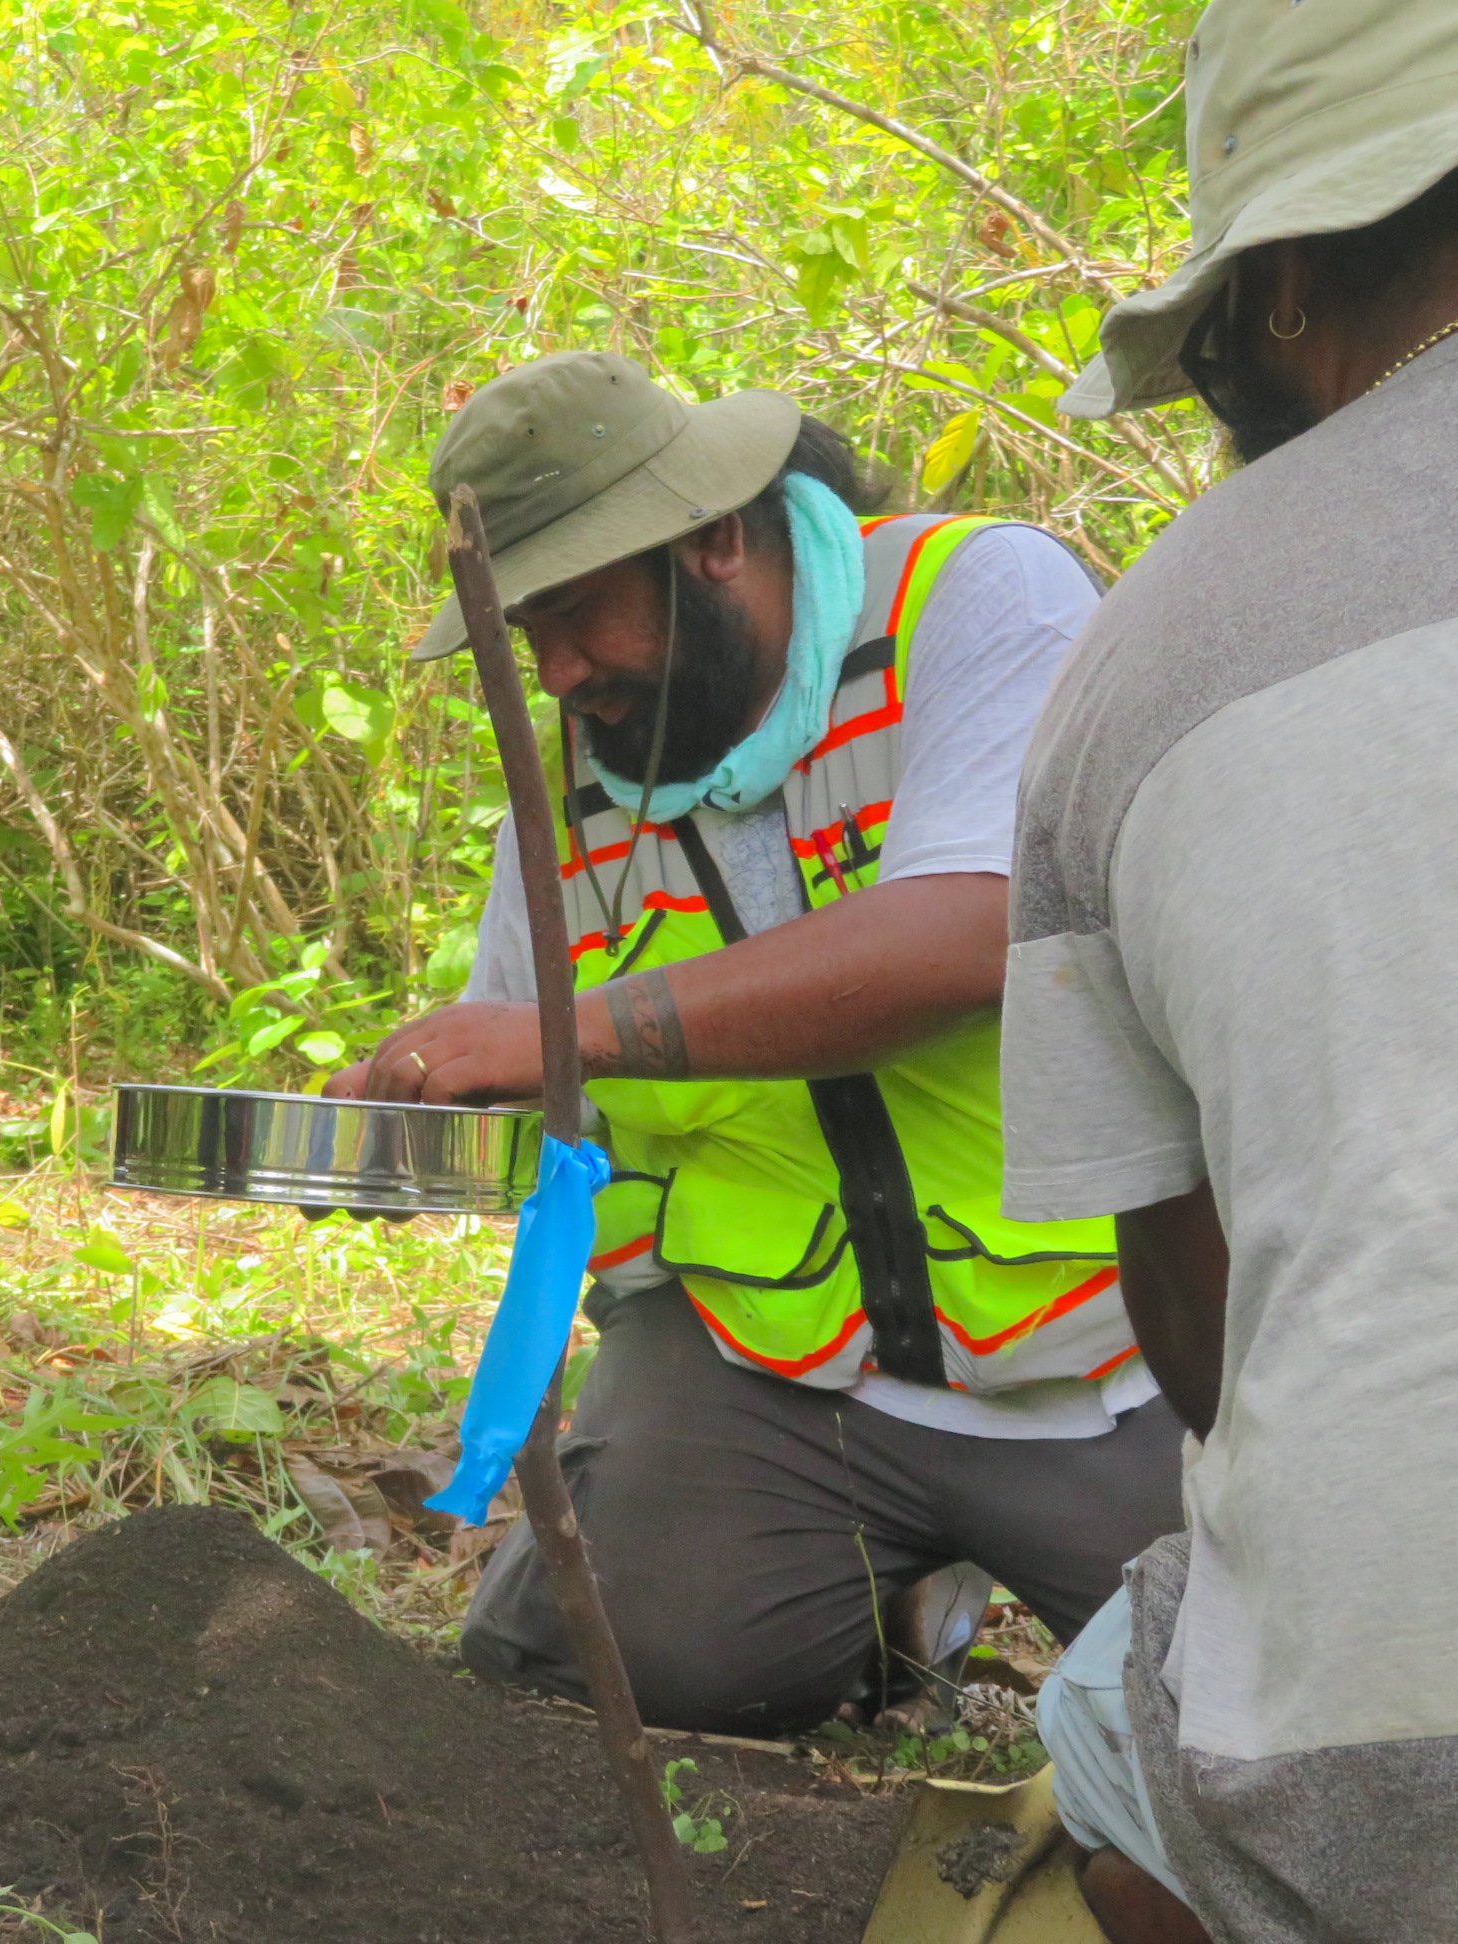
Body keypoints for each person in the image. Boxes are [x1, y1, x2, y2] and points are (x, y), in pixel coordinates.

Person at [1008, 2, 1458, 1937]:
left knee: (1098, 1718)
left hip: (1445, 1799)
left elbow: (1199, 1331)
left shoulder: (1126, 665)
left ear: (1282, 284)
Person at [329, 351, 1184, 1736]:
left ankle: (964, 1577)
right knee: (582, 1684)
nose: (556, 671)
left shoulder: (977, 598)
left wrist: (567, 1032)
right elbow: (542, 1094)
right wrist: (388, 1119)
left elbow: (965, 941)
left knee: (1270, 1731)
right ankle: (884, 1613)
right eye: (519, 627)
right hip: (773, 1378)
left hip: (1115, 1358)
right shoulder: (571, 791)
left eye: (575, 611)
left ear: (714, 536)